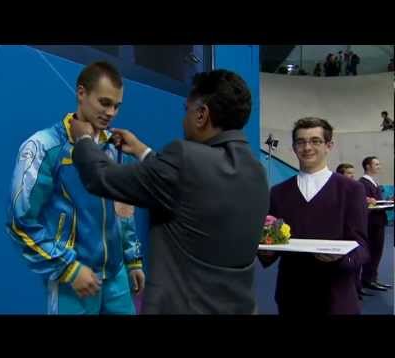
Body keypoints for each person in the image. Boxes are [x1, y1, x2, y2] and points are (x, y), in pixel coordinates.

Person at [68, 69, 270, 314]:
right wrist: (144, 152)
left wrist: (84, 141)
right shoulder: (256, 172)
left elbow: (100, 178)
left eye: (186, 110)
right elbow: (193, 190)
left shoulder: (184, 159)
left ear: (201, 115)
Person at [6, 61, 145, 315]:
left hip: (116, 275)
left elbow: (123, 208)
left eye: (116, 106)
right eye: (105, 103)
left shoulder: (115, 146)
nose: (111, 113)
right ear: (81, 93)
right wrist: (68, 267)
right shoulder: (44, 146)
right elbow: (20, 222)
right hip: (75, 279)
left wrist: (132, 258)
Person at [259, 118, 369, 314]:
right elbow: (272, 241)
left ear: (329, 146)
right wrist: (266, 251)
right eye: (301, 141)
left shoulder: (351, 190)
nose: (307, 147)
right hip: (291, 294)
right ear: (294, 147)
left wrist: (341, 258)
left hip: (336, 295)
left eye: (315, 141)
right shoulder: (278, 192)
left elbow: (361, 247)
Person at [336, 162, 374, 299]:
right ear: (341, 174)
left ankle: (357, 287)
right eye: (349, 173)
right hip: (342, 232)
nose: (352, 176)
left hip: (356, 231)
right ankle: (350, 290)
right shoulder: (337, 189)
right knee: (346, 264)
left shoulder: (356, 188)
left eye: (353, 173)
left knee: (357, 261)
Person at [359, 156, 392, 291]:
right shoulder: (363, 183)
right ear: (368, 166)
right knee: (372, 252)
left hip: (378, 221)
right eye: (376, 164)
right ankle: (368, 279)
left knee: (377, 252)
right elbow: (365, 204)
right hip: (371, 223)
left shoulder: (373, 182)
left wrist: (388, 201)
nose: (379, 167)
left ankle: (373, 278)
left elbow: (376, 202)